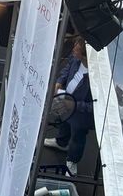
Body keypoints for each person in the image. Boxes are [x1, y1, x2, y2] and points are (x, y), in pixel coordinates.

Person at [43, 36, 93, 177]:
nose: (73, 51)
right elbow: (67, 69)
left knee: (78, 136)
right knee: (64, 123)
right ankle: (61, 142)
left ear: (85, 55)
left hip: (80, 114)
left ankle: (73, 160)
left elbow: (94, 106)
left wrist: (75, 105)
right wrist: (59, 82)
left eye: (76, 50)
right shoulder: (75, 59)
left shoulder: (95, 77)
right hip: (65, 100)